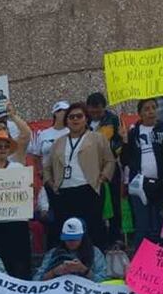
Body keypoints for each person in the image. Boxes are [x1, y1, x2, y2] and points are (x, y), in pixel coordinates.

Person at [46, 102, 115, 249]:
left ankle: (95, 263)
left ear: (86, 119)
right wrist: (51, 184)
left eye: (79, 116)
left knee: (93, 229)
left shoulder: (97, 138)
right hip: (64, 192)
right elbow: (47, 167)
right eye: (71, 117)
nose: (75, 120)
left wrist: (102, 178)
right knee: (66, 230)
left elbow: (109, 161)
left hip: (89, 189)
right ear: (66, 121)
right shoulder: (59, 142)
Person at [121, 99, 163, 248]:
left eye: (154, 108)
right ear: (140, 113)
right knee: (142, 224)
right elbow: (125, 160)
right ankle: (141, 260)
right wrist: (124, 141)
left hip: (162, 183)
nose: (151, 111)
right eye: (146, 109)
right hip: (140, 184)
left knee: (162, 222)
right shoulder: (133, 132)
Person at [0, 126, 31, 278]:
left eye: (6, 146)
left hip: (16, 224)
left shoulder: (19, 168)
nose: (2, 149)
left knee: (20, 263)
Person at [33, 218, 108, 283]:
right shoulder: (53, 253)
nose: (71, 242)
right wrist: (54, 272)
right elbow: (36, 281)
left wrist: (84, 270)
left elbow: (104, 281)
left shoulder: (95, 252)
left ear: (83, 237)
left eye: (75, 239)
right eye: (68, 239)